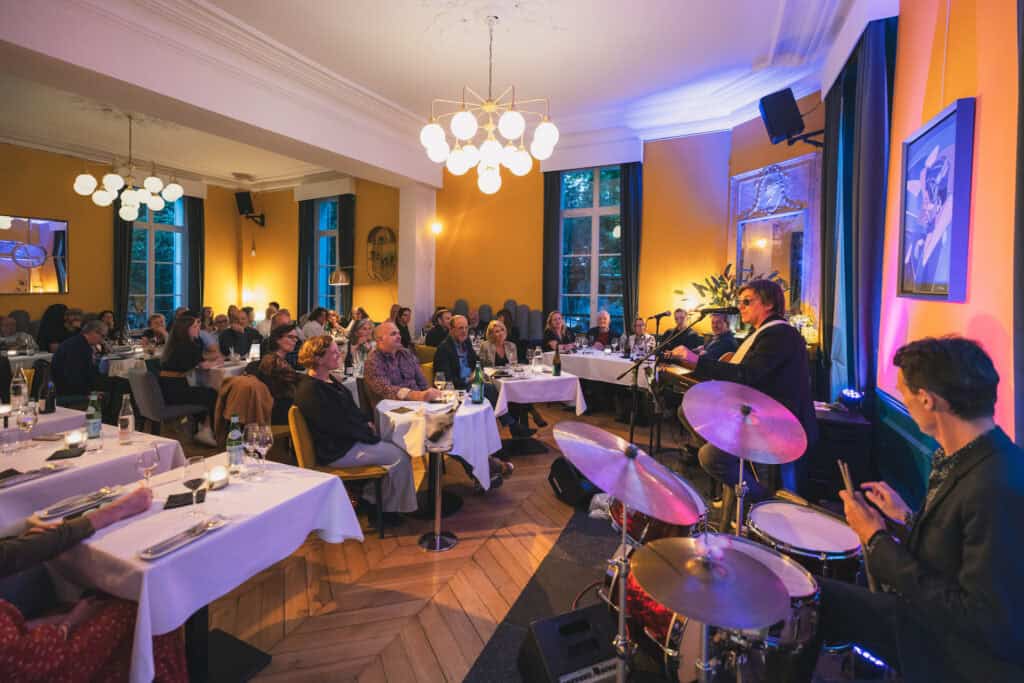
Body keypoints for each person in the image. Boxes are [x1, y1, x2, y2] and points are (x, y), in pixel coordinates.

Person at [794, 337, 1024, 682]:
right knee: (818, 595)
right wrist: (905, 518)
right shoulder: (966, 456)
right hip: (932, 620)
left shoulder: (996, 485)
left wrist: (877, 539)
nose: (903, 401)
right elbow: (957, 552)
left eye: (904, 393)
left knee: (813, 597)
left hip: (953, 651)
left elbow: (983, 620)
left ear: (927, 400)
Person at [670, 279, 817, 529]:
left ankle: (761, 500)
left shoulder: (779, 334)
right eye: (740, 302)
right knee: (688, 410)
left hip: (779, 424)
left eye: (747, 301)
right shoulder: (762, 333)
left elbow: (747, 375)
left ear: (769, 304)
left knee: (710, 456)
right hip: (758, 415)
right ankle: (735, 483)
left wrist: (698, 363)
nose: (741, 307)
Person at [0, 487, 188, 682]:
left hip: (22, 633)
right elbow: (24, 659)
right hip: (42, 659)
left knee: (113, 595)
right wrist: (68, 622)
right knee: (145, 611)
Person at [294, 336, 417, 519]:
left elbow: (351, 411)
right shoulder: (310, 390)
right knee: (400, 457)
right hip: (336, 450)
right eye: (334, 352)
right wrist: (367, 432)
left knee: (397, 444)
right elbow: (335, 427)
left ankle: (372, 498)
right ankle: (387, 510)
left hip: (347, 441)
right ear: (318, 359)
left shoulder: (328, 380)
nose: (339, 354)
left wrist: (366, 423)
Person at [434, 316, 534, 438]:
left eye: (466, 328)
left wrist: (477, 372)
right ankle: (511, 425)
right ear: (451, 329)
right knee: (490, 389)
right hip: (459, 387)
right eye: (460, 328)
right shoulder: (444, 349)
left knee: (504, 389)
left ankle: (512, 427)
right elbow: (446, 379)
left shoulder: (466, 342)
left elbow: (477, 362)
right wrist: (468, 379)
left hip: (473, 382)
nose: (464, 331)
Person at [158, 314, 219, 446]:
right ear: (186, 329)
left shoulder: (175, 344)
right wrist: (217, 362)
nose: (198, 329)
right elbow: (203, 365)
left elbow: (197, 362)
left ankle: (201, 428)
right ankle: (206, 429)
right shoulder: (188, 346)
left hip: (168, 388)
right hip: (175, 391)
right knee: (212, 394)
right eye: (195, 327)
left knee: (204, 392)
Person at [480, 318, 545, 429]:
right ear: (491, 334)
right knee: (517, 392)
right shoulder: (485, 346)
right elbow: (483, 367)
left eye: (502, 330)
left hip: (509, 377)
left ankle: (521, 428)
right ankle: (532, 412)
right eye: (497, 331)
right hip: (493, 378)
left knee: (521, 387)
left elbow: (514, 364)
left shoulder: (511, 345)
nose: (500, 333)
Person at [363, 322, 440, 402]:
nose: (399, 337)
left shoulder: (406, 354)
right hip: (392, 405)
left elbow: (422, 381)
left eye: (399, 333)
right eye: (393, 334)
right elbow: (386, 390)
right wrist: (416, 395)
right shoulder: (373, 360)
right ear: (380, 339)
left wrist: (430, 395)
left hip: (418, 403)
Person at [245, 323, 301, 425]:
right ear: (277, 340)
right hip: (278, 413)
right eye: (290, 337)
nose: (295, 340)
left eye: (296, 338)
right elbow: (296, 383)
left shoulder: (273, 358)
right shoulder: (274, 362)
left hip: (277, 407)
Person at [52, 319, 106, 399]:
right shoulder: (78, 347)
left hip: (72, 388)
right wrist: (91, 393)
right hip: (71, 393)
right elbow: (74, 376)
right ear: (93, 332)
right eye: (102, 336)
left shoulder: (78, 342)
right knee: (110, 392)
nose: (102, 340)